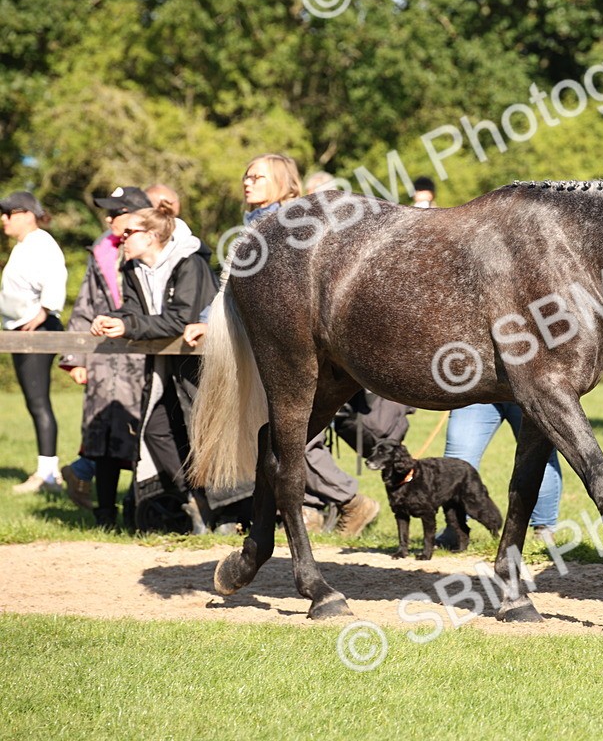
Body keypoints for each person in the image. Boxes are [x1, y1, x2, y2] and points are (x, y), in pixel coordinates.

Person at [184, 153, 380, 537]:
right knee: (290, 434)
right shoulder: (256, 225)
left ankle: (347, 500)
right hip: (267, 341)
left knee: (297, 433)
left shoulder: (291, 226)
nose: (247, 182)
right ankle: (317, 507)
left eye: (257, 177)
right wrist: (211, 320)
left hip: (298, 345)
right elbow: (232, 286)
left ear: (284, 184)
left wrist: (210, 320)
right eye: (246, 176)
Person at [90, 203, 223, 533]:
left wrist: (129, 327)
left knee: (205, 435)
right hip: (165, 366)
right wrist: (114, 319)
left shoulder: (190, 263)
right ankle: (194, 499)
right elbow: (133, 310)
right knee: (155, 429)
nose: (120, 239)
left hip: (201, 364)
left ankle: (229, 511)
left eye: (128, 233)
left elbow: (182, 318)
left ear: (150, 236)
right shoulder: (133, 269)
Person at [58, 188, 151, 524]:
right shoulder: (101, 252)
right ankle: (105, 512)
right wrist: (75, 357)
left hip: (141, 356)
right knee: (102, 435)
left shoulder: (150, 248)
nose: (109, 219)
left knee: (140, 432)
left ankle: (141, 509)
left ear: (138, 214)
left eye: (117, 212)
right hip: (101, 357)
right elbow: (85, 304)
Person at [2, 192, 68, 495]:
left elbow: (55, 279)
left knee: (39, 400)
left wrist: (42, 312)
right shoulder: (24, 246)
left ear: (27, 213)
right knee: (33, 401)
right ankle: (47, 469)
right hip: (21, 330)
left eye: (8, 213)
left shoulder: (42, 243)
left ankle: (48, 473)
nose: (3, 219)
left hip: (37, 330)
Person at [439, 403, 563, 545]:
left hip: (524, 387)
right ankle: (455, 529)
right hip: (478, 392)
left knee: (541, 455)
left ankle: (544, 530)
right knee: (456, 462)